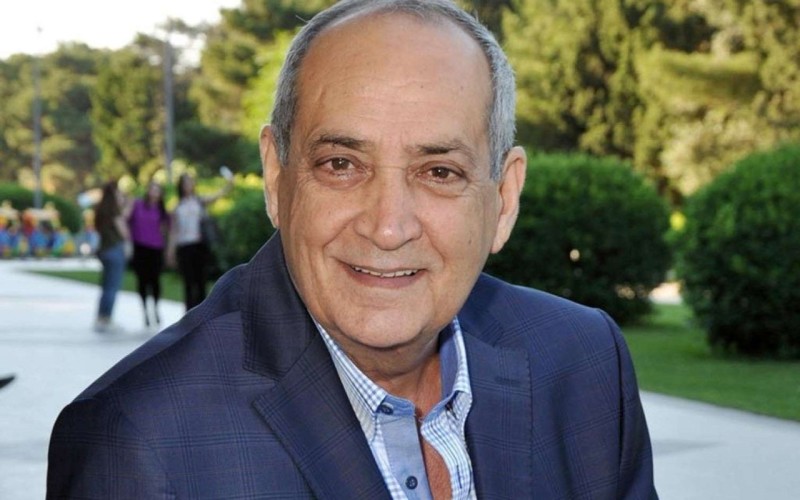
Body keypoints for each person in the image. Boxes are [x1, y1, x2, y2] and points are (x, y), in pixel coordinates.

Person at [47, 1, 658, 498]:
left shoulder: (584, 365)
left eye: (439, 172)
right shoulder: (137, 441)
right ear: (277, 178)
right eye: (341, 164)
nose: (388, 227)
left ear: (503, 199)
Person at [167, 170, 233, 311]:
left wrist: (229, 182)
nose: (188, 185)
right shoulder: (178, 207)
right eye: (185, 183)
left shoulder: (199, 201)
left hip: (199, 246)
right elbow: (174, 232)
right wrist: (170, 252)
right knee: (188, 283)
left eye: (190, 182)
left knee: (201, 281)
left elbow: (219, 195)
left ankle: (202, 313)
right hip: (184, 247)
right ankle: (189, 313)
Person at [128, 181, 170, 329]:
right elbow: (127, 219)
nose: (154, 192)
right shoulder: (137, 205)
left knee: (155, 280)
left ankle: (156, 307)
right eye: (152, 189)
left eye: (157, 190)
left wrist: (167, 250)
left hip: (156, 249)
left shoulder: (162, 210)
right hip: (140, 248)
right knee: (142, 280)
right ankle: (145, 310)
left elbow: (165, 230)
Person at [91, 180, 130, 333]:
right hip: (115, 250)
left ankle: (101, 316)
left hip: (104, 250)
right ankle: (106, 318)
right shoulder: (114, 211)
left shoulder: (100, 210)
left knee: (106, 285)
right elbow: (123, 231)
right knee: (112, 286)